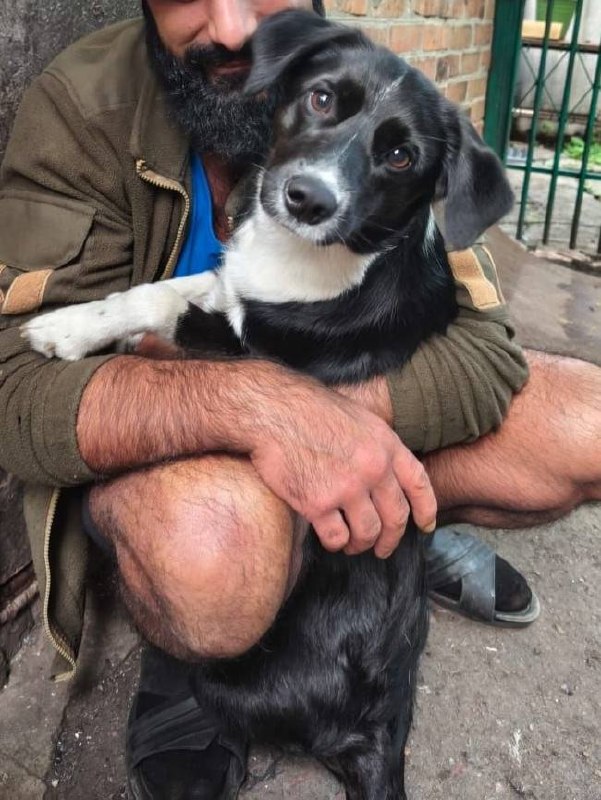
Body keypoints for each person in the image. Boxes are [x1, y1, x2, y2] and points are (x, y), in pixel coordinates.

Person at [0, 0, 599, 796]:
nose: (230, 26)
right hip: (168, 436)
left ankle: (398, 526)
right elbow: (18, 389)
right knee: (211, 553)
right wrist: (268, 409)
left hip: (346, 402)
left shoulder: (372, 82)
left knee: (588, 424)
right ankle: (188, 645)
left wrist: (339, 428)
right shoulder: (82, 107)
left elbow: (484, 356)